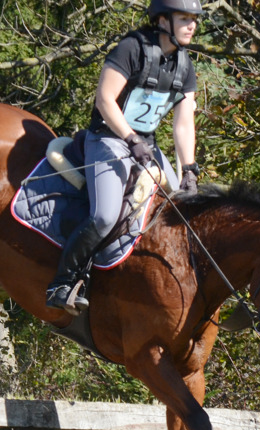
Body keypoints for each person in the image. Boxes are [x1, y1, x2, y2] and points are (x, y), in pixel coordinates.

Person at [45, 0, 204, 316]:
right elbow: (105, 100)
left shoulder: (185, 67)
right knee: (105, 216)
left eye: (194, 19)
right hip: (108, 140)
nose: (192, 25)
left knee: (184, 212)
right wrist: (130, 138)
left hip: (147, 146)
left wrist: (188, 169)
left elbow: (184, 123)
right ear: (162, 20)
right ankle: (62, 282)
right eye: (184, 18)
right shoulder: (131, 48)